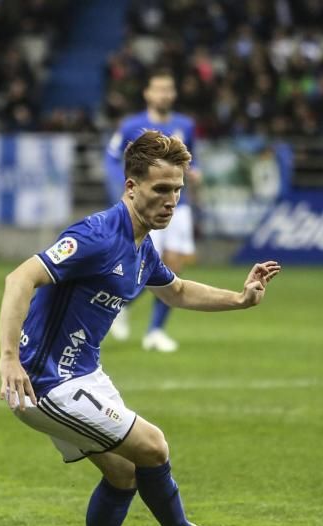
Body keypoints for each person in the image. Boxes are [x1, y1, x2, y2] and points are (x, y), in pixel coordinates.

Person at [0, 130, 280, 526]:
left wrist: (240, 299)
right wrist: (9, 358)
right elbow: (19, 279)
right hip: (45, 382)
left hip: (83, 374)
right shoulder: (95, 236)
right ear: (131, 188)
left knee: (124, 471)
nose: (171, 201)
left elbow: (178, 291)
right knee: (152, 446)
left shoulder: (142, 246)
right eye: (160, 190)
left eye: (177, 191)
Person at [104, 69, 202, 352]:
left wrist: (196, 173)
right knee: (147, 268)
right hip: (146, 208)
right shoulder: (131, 125)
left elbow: (192, 158)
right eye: (159, 89)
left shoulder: (186, 125)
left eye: (169, 89)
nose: (164, 94)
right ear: (148, 93)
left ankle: (155, 332)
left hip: (178, 206)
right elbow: (111, 159)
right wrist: (124, 191)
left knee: (173, 267)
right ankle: (119, 305)